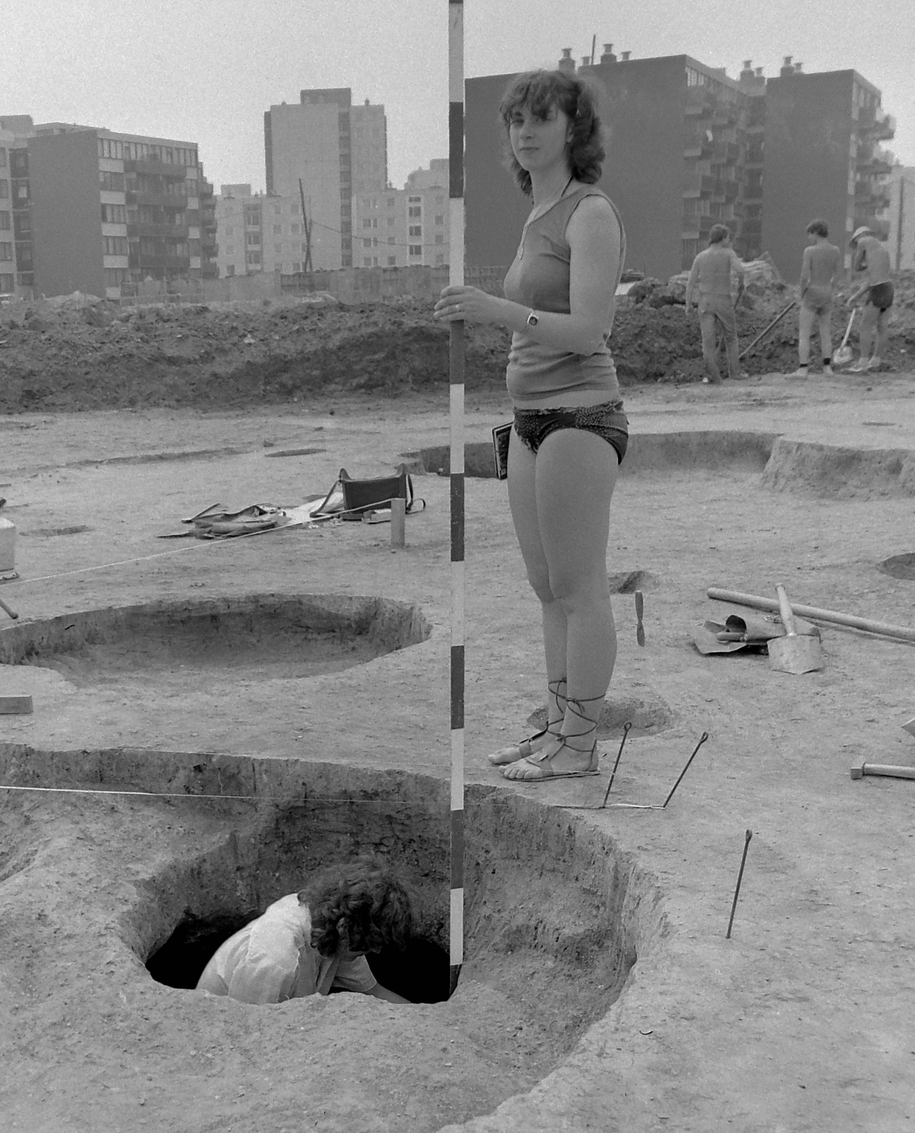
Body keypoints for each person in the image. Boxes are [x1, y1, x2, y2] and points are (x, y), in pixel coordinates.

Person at [433, 68, 627, 782]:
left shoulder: (590, 213)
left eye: (542, 118)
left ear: (574, 129)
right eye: (517, 120)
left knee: (580, 588)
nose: (525, 131)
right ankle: (556, 729)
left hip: (580, 415)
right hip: (528, 420)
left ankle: (580, 744)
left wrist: (495, 310)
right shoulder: (537, 215)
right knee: (547, 588)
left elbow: (589, 328)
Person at [195, 858, 413, 1005]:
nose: (371, 952)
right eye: (366, 945)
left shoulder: (335, 934)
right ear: (343, 927)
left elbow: (375, 993)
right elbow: (248, 1033)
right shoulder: (274, 961)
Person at [685, 224, 747, 383]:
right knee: (731, 337)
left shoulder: (700, 257)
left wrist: (688, 304)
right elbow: (740, 270)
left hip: (705, 301)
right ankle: (735, 373)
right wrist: (740, 284)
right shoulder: (728, 254)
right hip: (723, 300)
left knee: (708, 342)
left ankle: (713, 376)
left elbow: (691, 283)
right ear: (724, 238)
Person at [790, 219, 842, 377]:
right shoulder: (836, 250)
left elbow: (805, 276)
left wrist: (801, 293)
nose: (809, 237)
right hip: (827, 291)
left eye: (810, 234)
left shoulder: (810, 251)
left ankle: (803, 368)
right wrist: (831, 288)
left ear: (816, 233)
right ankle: (827, 367)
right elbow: (837, 275)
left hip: (813, 291)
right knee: (825, 332)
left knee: (804, 332)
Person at [846, 226, 894, 372]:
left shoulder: (864, 241)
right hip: (888, 289)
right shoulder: (882, 251)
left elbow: (855, 266)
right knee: (882, 326)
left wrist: (861, 263)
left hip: (878, 290)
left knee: (865, 326)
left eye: (855, 242)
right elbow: (870, 281)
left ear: (860, 236)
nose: (856, 246)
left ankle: (863, 361)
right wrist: (855, 297)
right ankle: (876, 359)